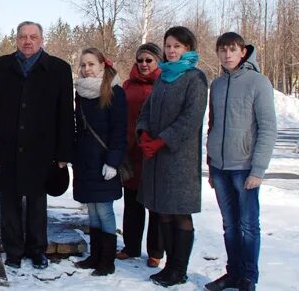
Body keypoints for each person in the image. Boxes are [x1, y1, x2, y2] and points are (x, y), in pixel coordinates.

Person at [0, 21, 74, 269]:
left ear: (42, 40)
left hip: (41, 149)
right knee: (9, 201)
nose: (28, 41)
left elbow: (66, 114)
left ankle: (37, 250)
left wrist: (64, 152)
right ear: (16, 39)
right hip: (8, 146)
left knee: (37, 202)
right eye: (23, 36)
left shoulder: (59, 69)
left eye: (33, 36)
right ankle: (13, 250)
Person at [136, 26, 208, 287]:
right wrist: (143, 133)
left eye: (177, 46)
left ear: (188, 49)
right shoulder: (162, 77)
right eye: (168, 46)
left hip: (179, 159)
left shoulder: (195, 78)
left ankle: (180, 268)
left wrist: (162, 140)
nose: (171, 50)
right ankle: (168, 266)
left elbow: (191, 118)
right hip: (156, 158)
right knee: (163, 211)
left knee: (180, 213)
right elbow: (146, 109)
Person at [204, 32, 276, 291]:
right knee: (229, 225)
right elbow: (212, 125)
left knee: (248, 225)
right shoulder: (218, 85)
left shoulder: (258, 82)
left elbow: (268, 128)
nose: (227, 54)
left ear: (243, 51)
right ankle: (232, 273)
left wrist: (258, 170)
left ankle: (248, 277)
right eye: (222, 50)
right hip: (220, 168)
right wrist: (211, 163)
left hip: (245, 167)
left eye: (232, 49)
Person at [72, 48, 127, 276]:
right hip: (85, 161)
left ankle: (107, 261)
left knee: (104, 211)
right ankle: (95, 256)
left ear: (102, 65)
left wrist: (113, 162)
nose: (87, 69)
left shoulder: (114, 91)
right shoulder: (81, 92)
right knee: (92, 211)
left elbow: (119, 130)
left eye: (91, 64)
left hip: (104, 161)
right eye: (83, 65)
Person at [118, 43, 164, 268]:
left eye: (149, 60)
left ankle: (155, 251)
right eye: (140, 60)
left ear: (158, 61)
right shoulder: (128, 85)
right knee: (132, 202)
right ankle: (131, 246)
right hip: (130, 151)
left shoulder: (164, 84)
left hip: (154, 151)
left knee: (154, 203)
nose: (144, 64)